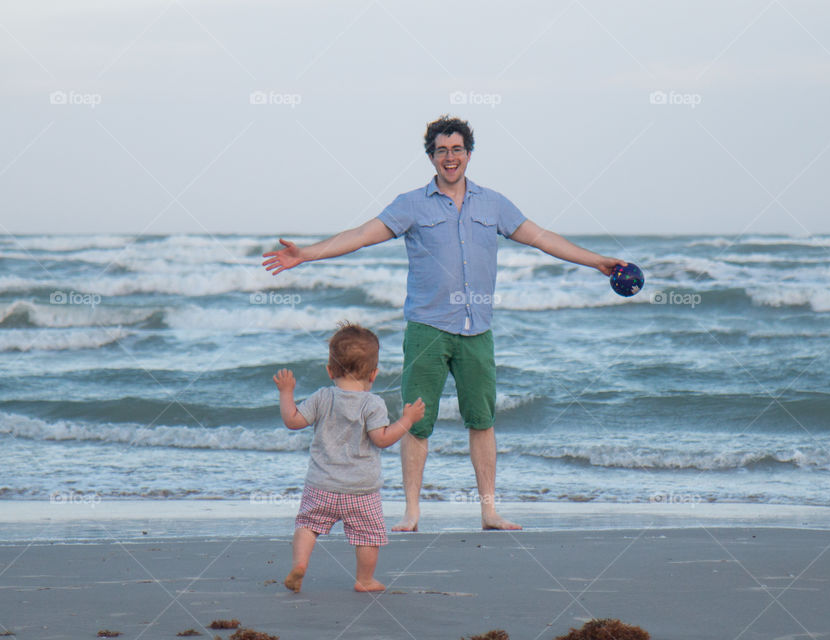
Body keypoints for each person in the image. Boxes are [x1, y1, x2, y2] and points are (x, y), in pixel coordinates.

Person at [263, 115, 626, 532]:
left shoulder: (494, 204)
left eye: (457, 149)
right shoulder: (411, 205)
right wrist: (306, 254)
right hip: (427, 329)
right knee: (416, 420)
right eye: (441, 150)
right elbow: (362, 235)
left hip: (478, 331)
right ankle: (412, 512)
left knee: (482, 420)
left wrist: (596, 259)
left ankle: (489, 511)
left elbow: (543, 238)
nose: (450, 157)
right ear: (431, 157)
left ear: (468, 154)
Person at [274, 323, 425, 592]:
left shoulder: (322, 397)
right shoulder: (373, 404)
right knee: (368, 536)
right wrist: (407, 420)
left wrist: (287, 393)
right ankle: (364, 579)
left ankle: (300, 565)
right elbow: (382, 439)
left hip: (321, 485)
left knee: (308, 525)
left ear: (330, 370)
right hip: (361, 489)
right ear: (374, 374)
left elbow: (293, 421)